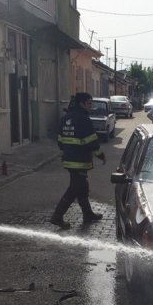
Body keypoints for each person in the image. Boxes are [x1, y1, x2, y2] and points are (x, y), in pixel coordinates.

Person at [50, 92, 105, 230]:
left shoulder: (65, 118)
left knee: (82, 187)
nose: (91, 106)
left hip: (69, 159)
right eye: (89, 103)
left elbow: (60, 140)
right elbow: (92, 141)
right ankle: (57, 216)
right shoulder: (83, 119)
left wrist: (68, 150)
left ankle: (88, 214)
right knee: (74, 189)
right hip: (80, 160)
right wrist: (101, 155)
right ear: (81, 103)